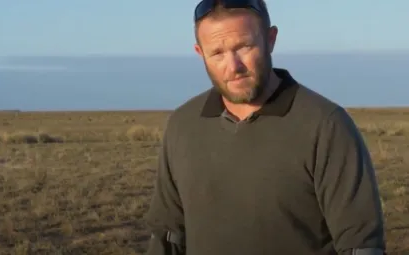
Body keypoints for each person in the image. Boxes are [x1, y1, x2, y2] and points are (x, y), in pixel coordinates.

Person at [144, 0, 386, 254]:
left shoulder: (326, 126)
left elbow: (361, 244)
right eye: (217, 53)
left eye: (244, 47)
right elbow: (167, 234)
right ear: (199, 53)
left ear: (271, 40)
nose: (233, 66)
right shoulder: (184, 124)